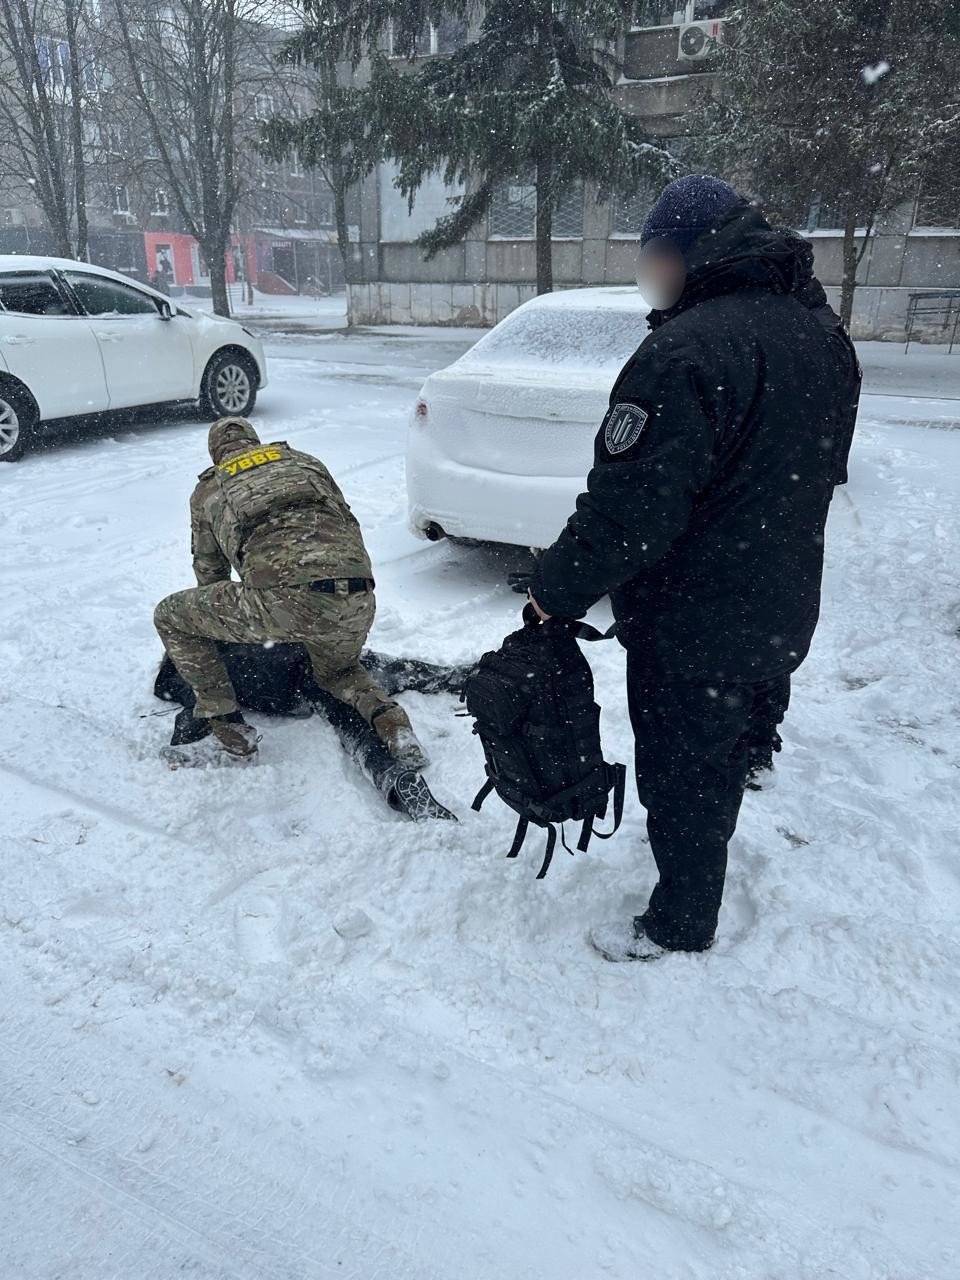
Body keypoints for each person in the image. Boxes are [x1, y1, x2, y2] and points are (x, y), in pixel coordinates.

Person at [527, 175, 853, 962]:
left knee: (684, 776)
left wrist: (554, 591)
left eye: (658, 256)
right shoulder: (819, 332)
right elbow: (820, 469)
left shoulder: (684, 352)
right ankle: (749, 762)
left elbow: (629, 511)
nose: (652, 273)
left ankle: (680, 921)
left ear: (696, 254)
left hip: (694, 619)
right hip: (779, 592)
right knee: (739, 722)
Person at [154, 417, 427, 767]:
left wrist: (230, 632)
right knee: (338, 673)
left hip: (286, 600)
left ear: (215, 454)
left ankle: (226, 726)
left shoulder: (210, 488)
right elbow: (346, 522)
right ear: (256, 441)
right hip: (358, 595)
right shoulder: (305, 462)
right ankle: (393, 723)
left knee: (171, 616)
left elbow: (211, 574)